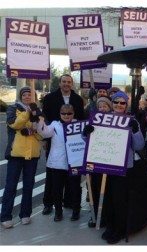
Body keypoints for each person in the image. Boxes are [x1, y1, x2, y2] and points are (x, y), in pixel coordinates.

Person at [84, 90, 146, 244]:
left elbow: (139, 145)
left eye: (122, 102)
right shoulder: (102, 118)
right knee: (108, 198)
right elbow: (91, 142)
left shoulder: (131, 120)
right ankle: (110, 225)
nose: (119, 105)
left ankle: (120, 228)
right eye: (116, 102)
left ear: (126, 105)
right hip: (106, 164)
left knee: (120, 199)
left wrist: (136, 130)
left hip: (124, 167)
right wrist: (86, 133)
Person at [42, 74, 85, 215]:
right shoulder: (49, 98)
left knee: (72, 175)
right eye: (64, 82)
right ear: (59, 83)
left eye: (69, 82)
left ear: (72, 84)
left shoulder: (78, 100)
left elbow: (81, 120)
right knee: (53, 177)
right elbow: (45, 120)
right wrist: (46, 140)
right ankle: (48, 204)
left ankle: (69, 202)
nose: (66, 84)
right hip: (55, 140)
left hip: (73, 143)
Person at [1, 87, 43, 228]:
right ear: (20, 96)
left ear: (34, 97)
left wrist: (32, 129)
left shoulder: (39, 111)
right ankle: (5, 216)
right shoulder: (13, 108)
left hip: (32, 154)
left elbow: (41, 134)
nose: (27, 96)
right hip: (16, 153)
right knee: (11, 186)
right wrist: (27, 113)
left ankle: (25, 214)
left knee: (28, 185)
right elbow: (14, 124)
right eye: (24, 94)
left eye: (30, 94)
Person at [36, 104, 82, 222]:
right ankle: (58, 212)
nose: (66, 115)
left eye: (69, 113)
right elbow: (45, 132)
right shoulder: (55, 125)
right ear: (59, 114)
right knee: (57, 189)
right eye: (63, 113)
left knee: (75, 188)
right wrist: (38, 120)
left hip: (74, 162)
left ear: (73, 113)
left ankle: (76, 211)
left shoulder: (79, 125)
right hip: (57, 163)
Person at [83, 96, 113, 227]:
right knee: (95, 189)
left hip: (110, 161)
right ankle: (95, 215)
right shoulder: (93, 120)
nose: (102, 109)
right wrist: (85, 133)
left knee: (108, 191)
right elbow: (86, 139)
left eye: (105, 106)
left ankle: (107, 216)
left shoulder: (115, 120)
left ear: (109, 107)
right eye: (100, 106)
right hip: (95, 160)